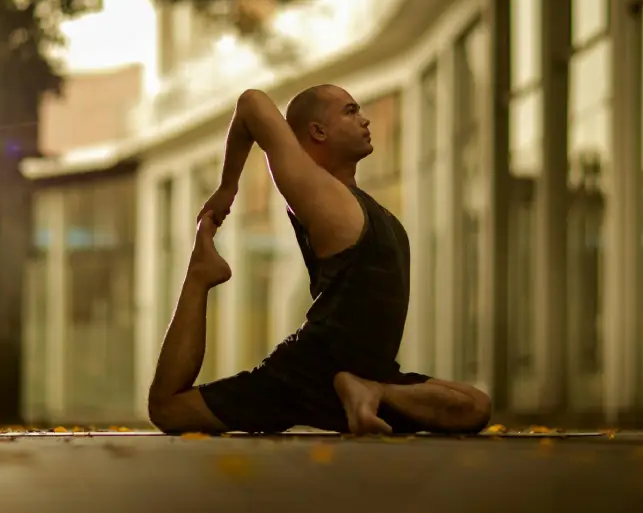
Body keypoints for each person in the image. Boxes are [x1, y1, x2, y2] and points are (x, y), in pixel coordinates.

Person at [146, 85, 492, 435]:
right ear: (318, 131)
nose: (365, 119)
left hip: (366, 373)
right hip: (307, 372)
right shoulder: (320, 194)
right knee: (168, 410)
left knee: (474, 407)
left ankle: (369, 393)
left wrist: (374, 383)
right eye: (350, 111)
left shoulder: (353, 200)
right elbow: (251, 103)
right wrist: (227, 188)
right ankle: (199, 275)